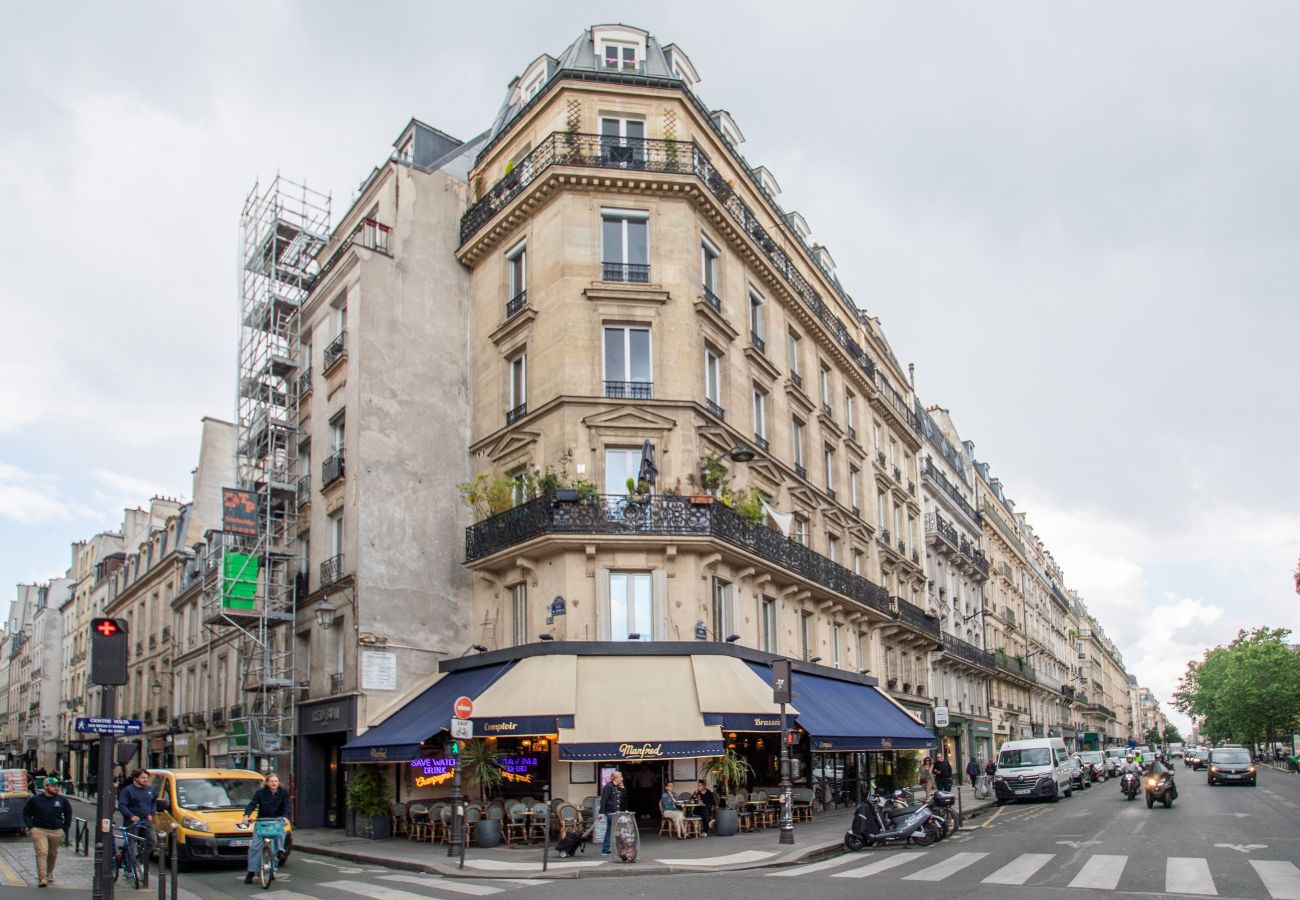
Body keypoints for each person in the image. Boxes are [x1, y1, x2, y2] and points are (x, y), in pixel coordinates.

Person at [22, 778, 73, 887]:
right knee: (42, 852)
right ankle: (42, 878)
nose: (56, 788)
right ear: (46, 786)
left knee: (53, 854)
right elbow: (26, 813)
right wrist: (31, 827)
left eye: (57, 786)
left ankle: (49, 872)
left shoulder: (62, 800)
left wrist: (64, 829)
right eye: (53, 786)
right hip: (39, 830)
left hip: (56, 831)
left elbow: (68, 814)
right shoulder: (35, 800)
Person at [241, 773, 291, 883]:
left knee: (280, 833)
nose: (274, 783)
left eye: (276, 781)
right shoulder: (260, 793)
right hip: (262, 821)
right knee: (255, 846)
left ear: (278, 783)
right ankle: (251, 872)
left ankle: (280, 851)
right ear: (267, 783)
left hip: (277, 820)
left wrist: (286, 817)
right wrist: (246, 816)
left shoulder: (284, 793)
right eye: (271, 781)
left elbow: (287, 806)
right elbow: (252, 804)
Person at [117, 769, 158, 860]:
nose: (146, 780)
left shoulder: (150, 789)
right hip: (132, 821)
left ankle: (138, 861)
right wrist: (131, 816)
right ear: (136, 778)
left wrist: (152, 813)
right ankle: (129, 866)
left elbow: (154, 802)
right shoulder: (128, 790)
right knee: (131, 843)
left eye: (147, 778)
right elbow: (122, 805)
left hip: (146, 820)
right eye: (143, 778)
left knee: (152, 841)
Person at [598, 771, 627, 855]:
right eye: (621, 777)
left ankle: (606, 849)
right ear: (616, 778)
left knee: (610, 830)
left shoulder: (616, 786)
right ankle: (621, 848)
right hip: (610, 811)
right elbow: (604, 799)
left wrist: (622, 788)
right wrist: (601, 812)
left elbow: (624, 797)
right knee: (618, 829)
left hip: (616, 812)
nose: (622, 778)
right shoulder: (608, 786)